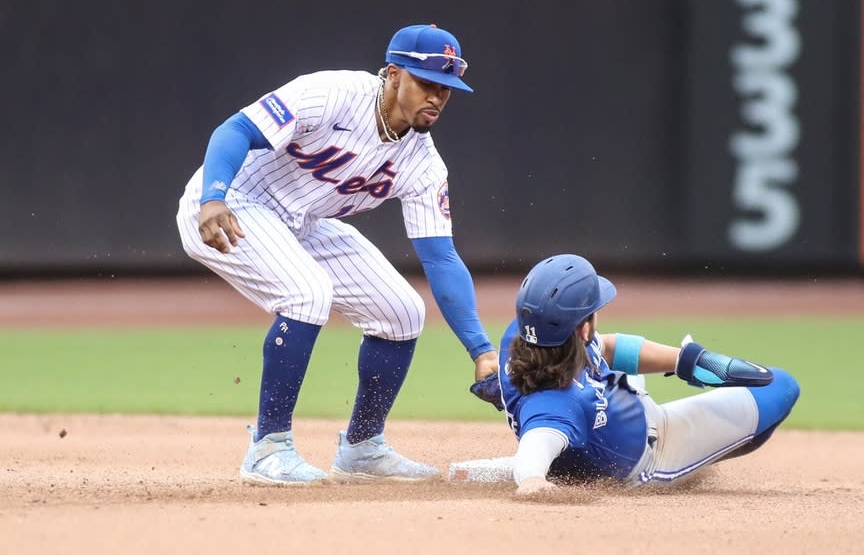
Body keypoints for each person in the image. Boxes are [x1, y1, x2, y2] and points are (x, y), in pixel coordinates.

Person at [176, 24, 498, 485]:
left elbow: (441, 259)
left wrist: (480, 349)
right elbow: (236, 129)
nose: (437, 97)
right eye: (427, 83)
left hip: (304, 223)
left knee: (402, 311)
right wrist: (213, 196)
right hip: (233, 203)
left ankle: (363, 449)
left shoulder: (424, 164)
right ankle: (268, 447)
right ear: (392, 74)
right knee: (308, 294)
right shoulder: (331, 93)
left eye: (446, 89)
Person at [478, 254, 799, 495]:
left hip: (625, 411)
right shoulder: (554, 410)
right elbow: (536, 447)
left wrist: (686, 360)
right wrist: (533, 480)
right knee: (782, 385)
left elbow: (609, 348)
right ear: (583, 327)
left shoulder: (529, 337)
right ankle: (699, 456)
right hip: (655, 455)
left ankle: (561, 464)